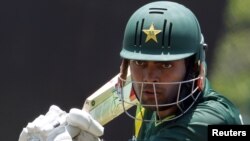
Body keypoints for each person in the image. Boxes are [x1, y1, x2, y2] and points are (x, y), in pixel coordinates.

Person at [19, 1, 243, 141]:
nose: (149, 78)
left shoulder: (211, 121)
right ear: (124, 67)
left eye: (165, 66)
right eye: (140, 64)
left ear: (195, 67)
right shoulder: (152, 106)